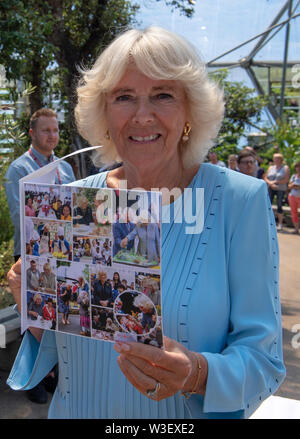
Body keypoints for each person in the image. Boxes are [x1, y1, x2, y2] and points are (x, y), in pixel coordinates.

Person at [7, 26, 285, 419]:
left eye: (163, 95)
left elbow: (265, 360)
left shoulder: (238, 201)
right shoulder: (71, 202)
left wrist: (197, 374)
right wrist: (35, 307)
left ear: (190, 109)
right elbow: (64, 348)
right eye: (124, 97)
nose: (142, 115)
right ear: (104, 111)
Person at [4, 108, 75, 262]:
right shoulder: (19, 169)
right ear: (32, 133)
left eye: (55, 130)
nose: (52, 136)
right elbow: (19, 217)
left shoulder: (65, 168)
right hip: (32, 250)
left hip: (63, 248)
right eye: (46, 131)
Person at [265, 153, 290, 231]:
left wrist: (276, 182)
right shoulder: (271, 167)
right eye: (274, 158)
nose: (275, 160)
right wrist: (270, 183)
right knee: (268, 204)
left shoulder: (285, 168)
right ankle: (268, 222)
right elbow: (265, 177)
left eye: (277, 158)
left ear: (280, 159)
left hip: (280, 189)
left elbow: (286, 179)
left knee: (279, 205)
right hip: (271, 187)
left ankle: (280, 224)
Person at [288, 161, 300, 234]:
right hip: (292, 196)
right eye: (297, 166)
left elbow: (293, 185)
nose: (298, 168)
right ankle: (296, 229)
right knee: (294, 213)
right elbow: (289, 186)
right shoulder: (293, 176)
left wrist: (294, 186)